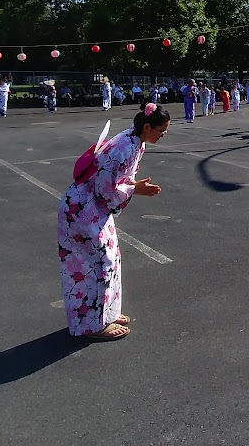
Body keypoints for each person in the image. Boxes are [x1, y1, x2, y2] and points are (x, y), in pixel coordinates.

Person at [57, 103, 169, 341]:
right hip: (83, 208)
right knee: (95, 264)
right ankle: (92, 325)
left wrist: (131, 187)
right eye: (161, 131)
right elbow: (104, 188)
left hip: (91, 208)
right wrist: (134, 190)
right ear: (147, 126)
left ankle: (105, 314)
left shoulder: (135, 141)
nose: (163, 136)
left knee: (109, 259)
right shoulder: (123, 148)